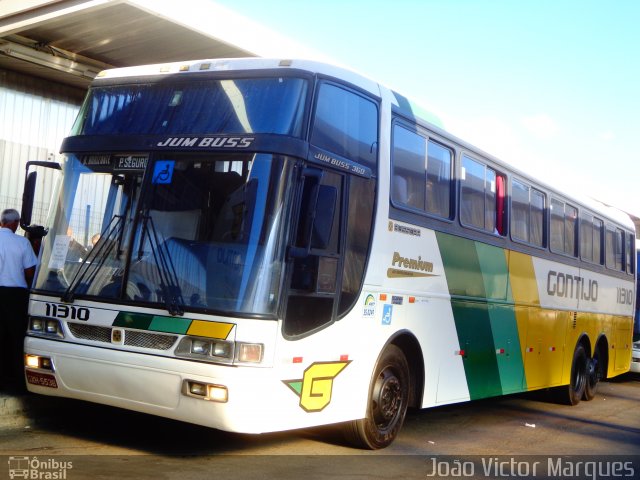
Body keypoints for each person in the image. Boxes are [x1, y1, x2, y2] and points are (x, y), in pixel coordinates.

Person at [0, 208, 38, 393]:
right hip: (15, 295)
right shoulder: (22, 243)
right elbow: (30, 272)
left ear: (1, 222)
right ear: (15, 223)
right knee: (16, 338)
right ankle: (16, 380)